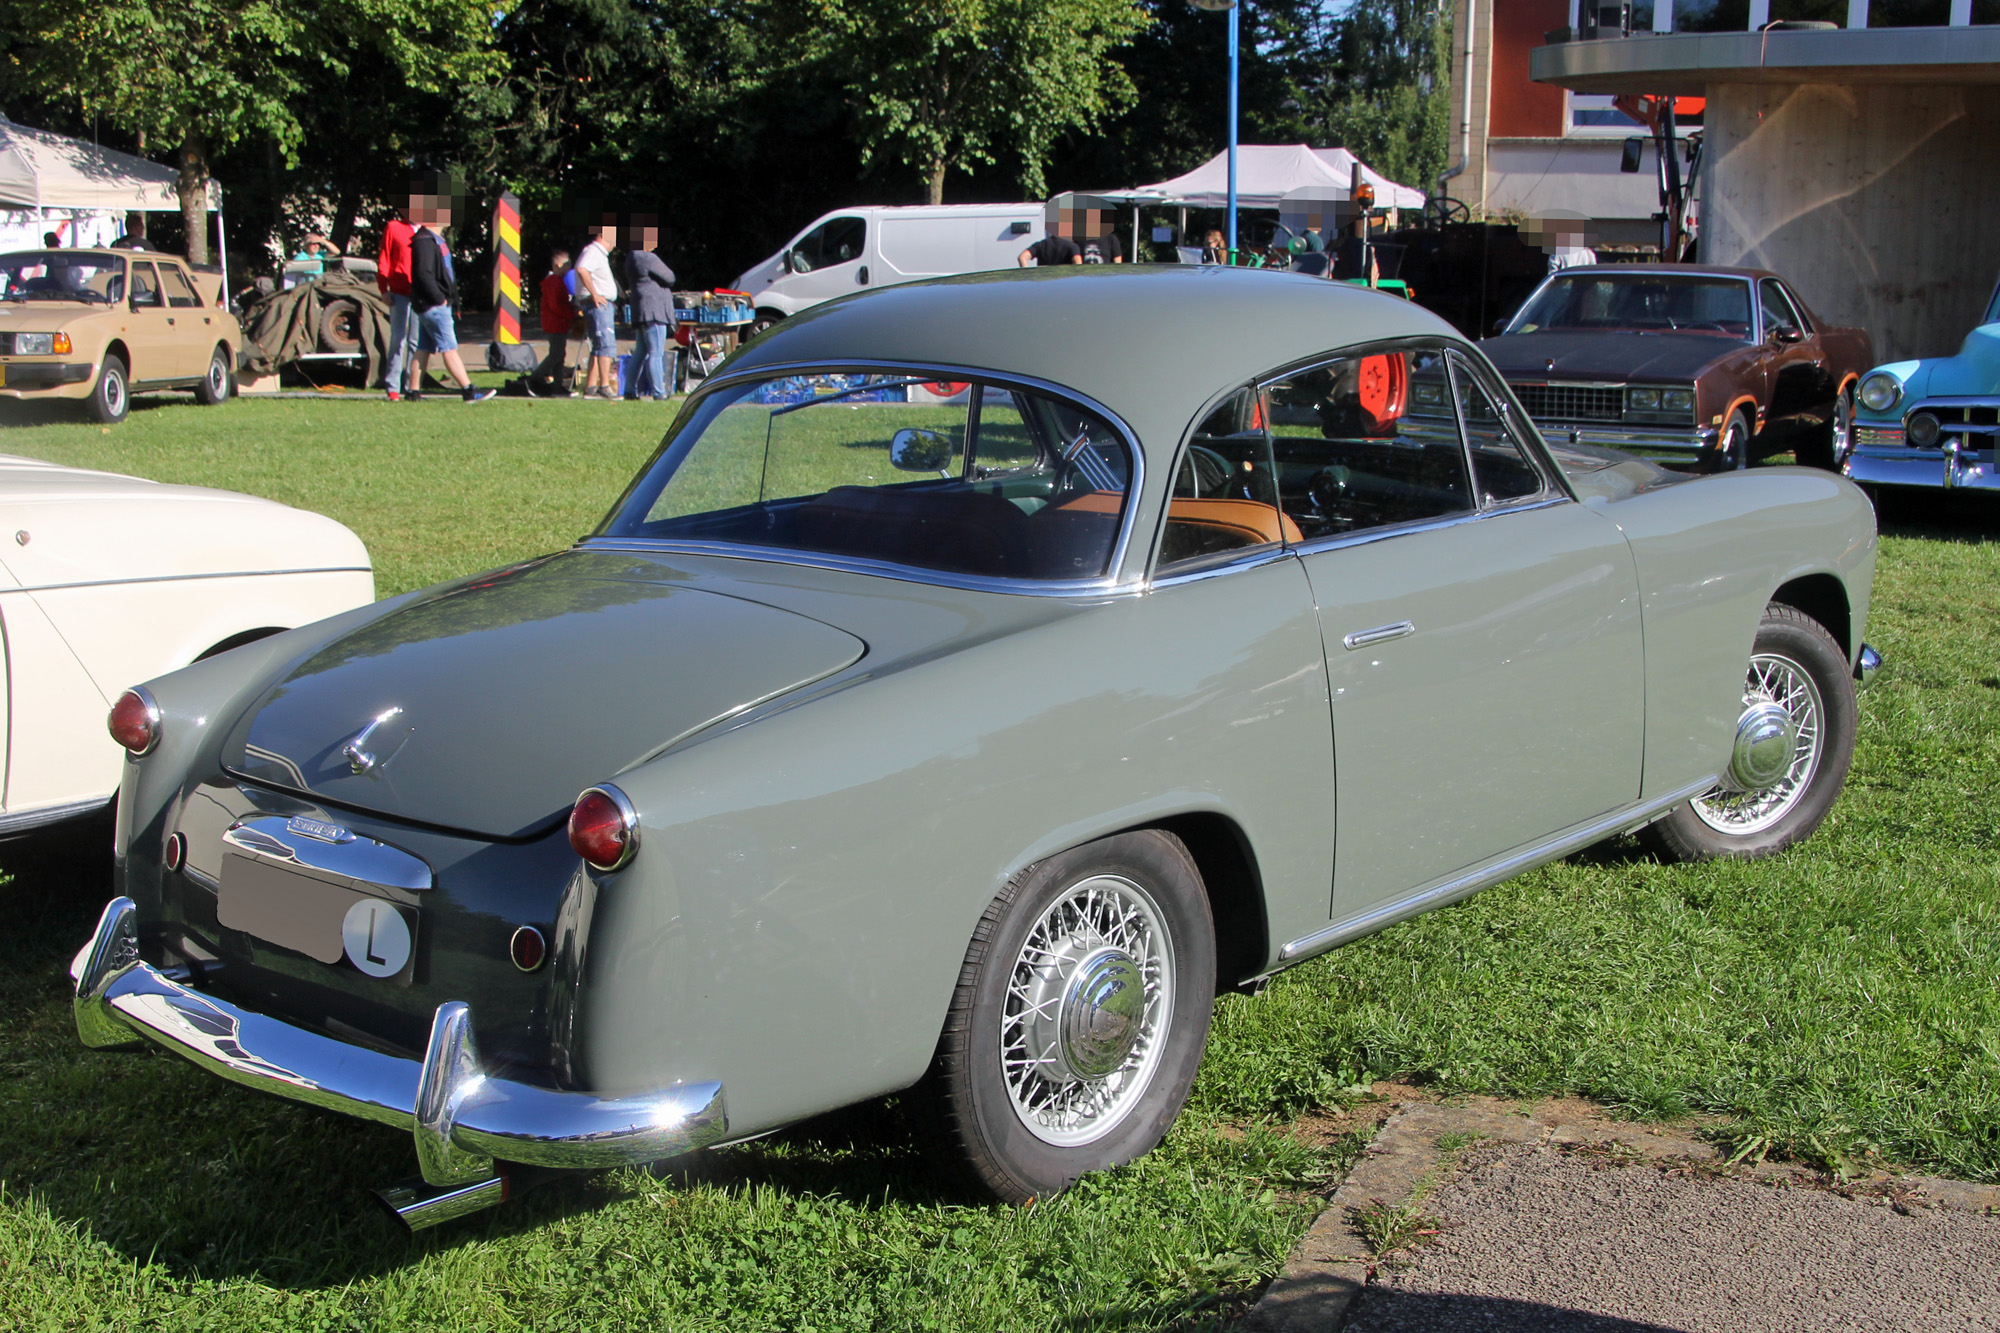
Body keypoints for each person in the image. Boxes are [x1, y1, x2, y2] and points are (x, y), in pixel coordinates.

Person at [405, 193, 495, 403]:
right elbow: (423, 273)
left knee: (423, 348)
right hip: (434, 305)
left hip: (432, 304)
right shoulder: (425, 241)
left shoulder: (435, 240)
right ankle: (468, 390)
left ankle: (413, 392)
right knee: (449, 348)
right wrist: (439, 298)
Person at [623, 219, 677, 401]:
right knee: (656, 353)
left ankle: (629, 389)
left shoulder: (631, 257)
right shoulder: (647, 257)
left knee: (640, 353)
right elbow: (670, 277)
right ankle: (658, 392)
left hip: (640, 309)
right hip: (654, 310)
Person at [573, 221, 621, 400]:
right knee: (606, 345)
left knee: (597, 346)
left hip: (598, 304)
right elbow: (581, 269)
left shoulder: (594, 253)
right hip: (599, 305)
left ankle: (591, 387)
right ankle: (604, 386)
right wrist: (595, 294)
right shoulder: (594, 252)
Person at [378, 198, 417, 400]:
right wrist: (383, 288)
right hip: (399, 292)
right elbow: (384, 258)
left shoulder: (429, 230)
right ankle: (393, 386)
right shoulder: (394, 227)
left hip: (421, 294)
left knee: (416, 343)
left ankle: (413, 385)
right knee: (398, 339)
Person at [532, 248, 579, 395]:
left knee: (560, 356)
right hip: (555, 324)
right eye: (567, 264)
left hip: (559, 323)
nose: (569, 267)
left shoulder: (557, 281)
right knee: (556, 355)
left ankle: (557, 387)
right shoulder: (553, 281)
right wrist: (571, 313)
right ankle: (534, 377)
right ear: (559, 264)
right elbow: (555, 305)